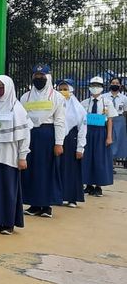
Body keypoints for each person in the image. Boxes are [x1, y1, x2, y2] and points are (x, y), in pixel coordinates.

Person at [0, 76, 31, 234]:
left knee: (7, 190)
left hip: (8, 156)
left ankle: (7, 223)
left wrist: (23, 156)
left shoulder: (16, 108)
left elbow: (24, 134)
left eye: (0, 86)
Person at [19, 64, 66, 218]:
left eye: (42, 76)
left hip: (48, 135)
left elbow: (60, 121)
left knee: (47, 170)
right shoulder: (25, 97)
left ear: (48, 77)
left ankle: (46, 206)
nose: (39, 79)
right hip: (30, 134)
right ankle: (33, 204)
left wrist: (59, 143)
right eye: (36, 76)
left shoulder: (57, 97)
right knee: (31, 170)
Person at [81, 76, 116, 197]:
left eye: (98, 85)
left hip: (101, 132)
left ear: (102, 88)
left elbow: (110, 120)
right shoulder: (84, 103)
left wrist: (109, 136)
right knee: (87, 157)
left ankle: (98, 186)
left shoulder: (107, 102)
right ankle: (88, 184)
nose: (95, 88)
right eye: (93, 85)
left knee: (100, 158)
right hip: (88, 132)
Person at [56, 79, 87, 208]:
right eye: (60, 89)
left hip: (71, 140)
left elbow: (82, 128)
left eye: (65, 89)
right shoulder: (55, 104)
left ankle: (72, 198)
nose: (63, 92)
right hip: (57, 139)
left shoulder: (78, 108)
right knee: (57, 168)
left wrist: (80, 147)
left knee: (71, 169)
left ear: (71, 90)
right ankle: (58, 196)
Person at [107, 76, 127, 168]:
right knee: (107, 139)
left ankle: (113, 162)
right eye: (113, 83)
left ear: (120, 85)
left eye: (117, 83)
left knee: (118, 140)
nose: (115, 85)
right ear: (110, 84)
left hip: (119, 119)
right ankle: (108, 163)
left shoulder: (124, 98)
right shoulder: (104, 96)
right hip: (107, 119)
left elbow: (125, 110)